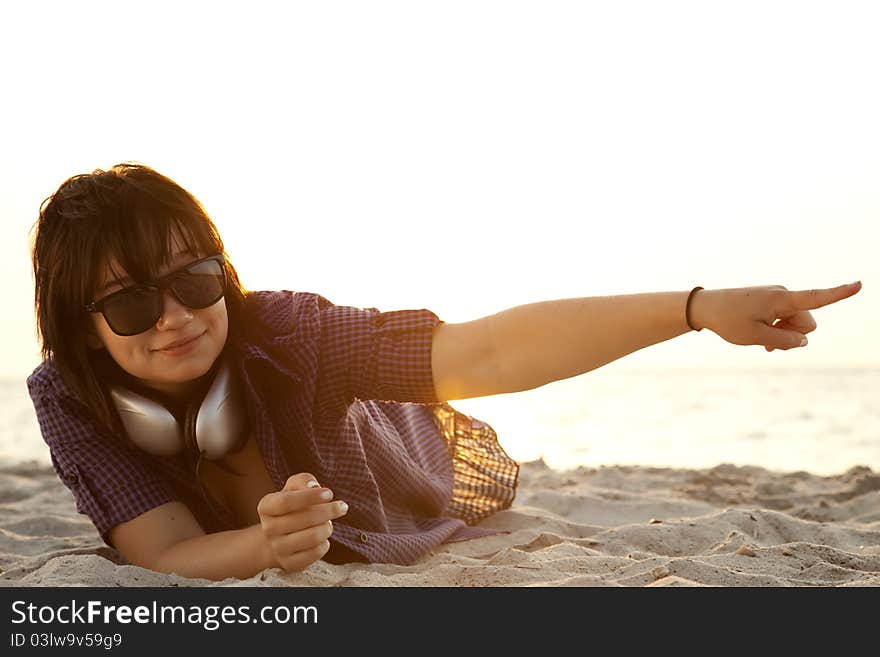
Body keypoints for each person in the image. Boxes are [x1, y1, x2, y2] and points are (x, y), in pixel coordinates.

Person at [27, 163, 862, 582]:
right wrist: (267, 543)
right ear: (84, 327)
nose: (175, 318)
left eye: (195, 280)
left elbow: (490, 351)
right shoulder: (68, 396)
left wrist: (692, 307)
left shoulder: (289, 331)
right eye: (131, 304)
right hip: (271, 526)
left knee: (460, 476)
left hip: (413, 457)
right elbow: (164, 549)